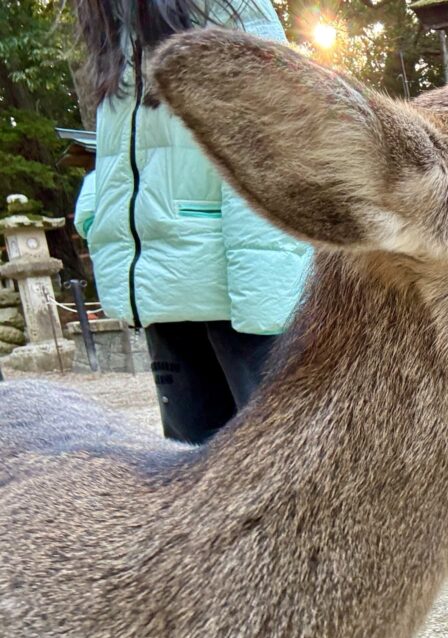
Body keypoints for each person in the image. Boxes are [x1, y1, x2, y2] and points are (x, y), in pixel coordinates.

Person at [73, 0, 312, 443]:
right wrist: (98, 216)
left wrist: (266, 307)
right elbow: (122, 155)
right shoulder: (122, 28)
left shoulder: (230, 10)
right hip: (162, 285)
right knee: (190, 480)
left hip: (240, 297)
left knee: (277, 474)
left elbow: (268, 157)